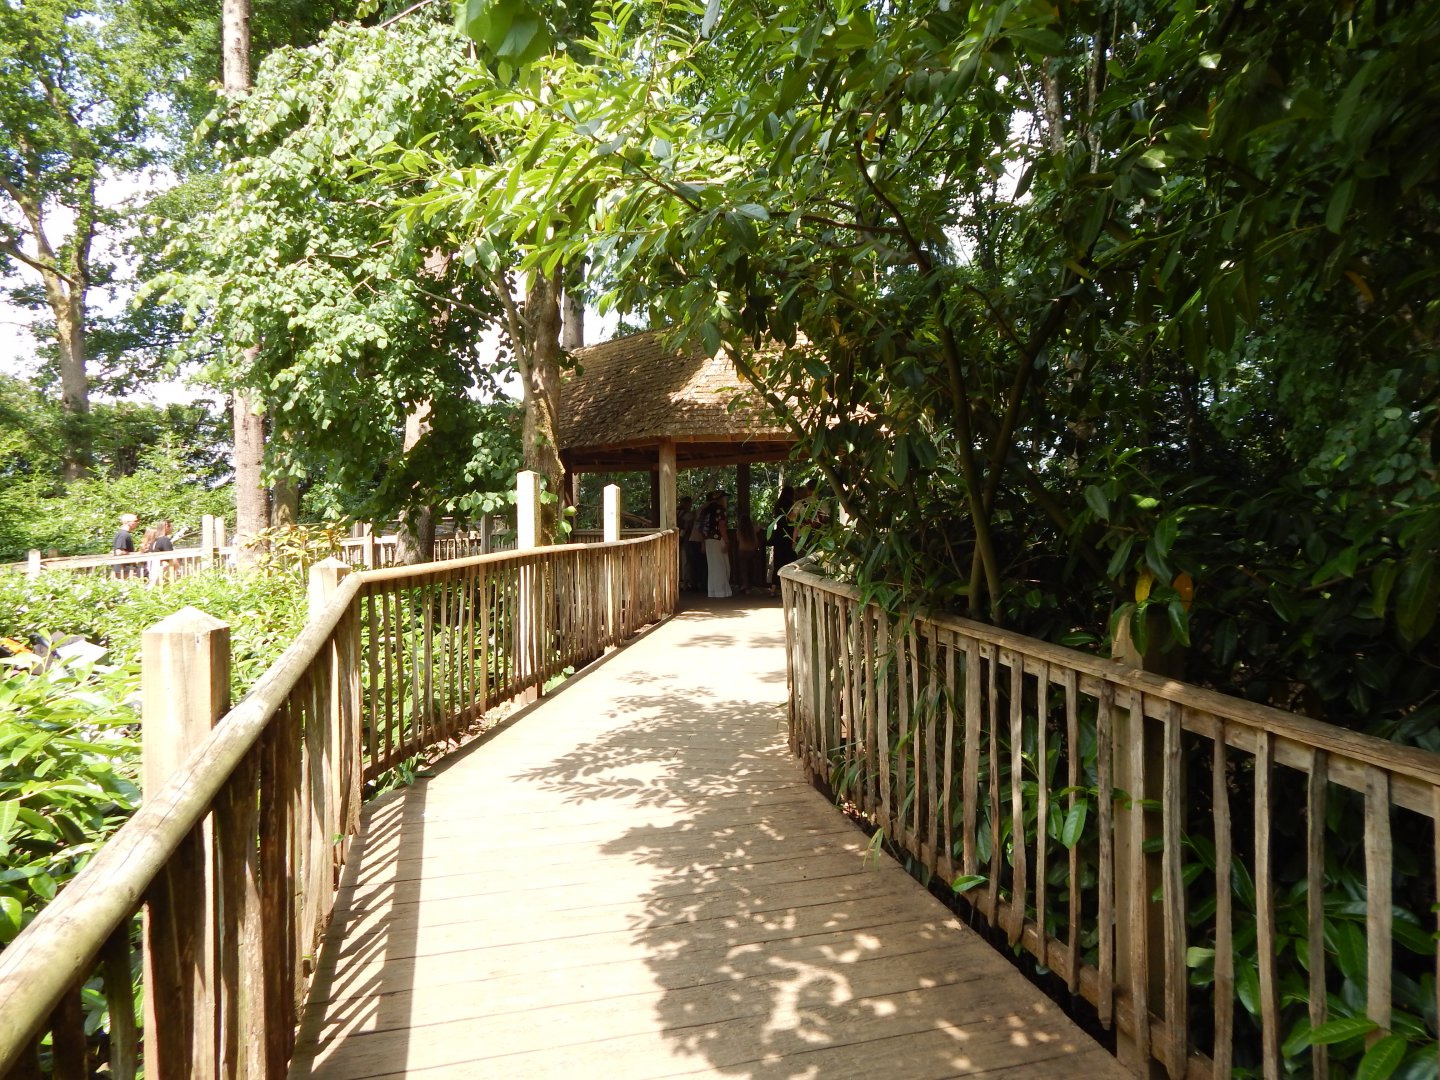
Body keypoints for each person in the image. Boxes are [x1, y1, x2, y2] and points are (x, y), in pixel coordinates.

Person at [700, 490, 731, 598]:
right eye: (725, 498)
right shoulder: (720, 510)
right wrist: (727, 541)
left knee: (713, 566)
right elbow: (722, 525)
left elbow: (702, 528)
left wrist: (703, 542)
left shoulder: (705, 511)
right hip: (718, 539)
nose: (726, 500)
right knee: (722, 565)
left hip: (708, 540)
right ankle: (721, 591)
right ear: (720, 499)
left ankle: (713, 591)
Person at [768, 485, 798, 594]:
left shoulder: (778, 505)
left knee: (778, 562)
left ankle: (773, 588)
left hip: (779, 535)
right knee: (790, 562)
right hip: (788, 536)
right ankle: (790, 590)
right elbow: (794, 523)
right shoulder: (792, 506)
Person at [676, 496, 701, 591]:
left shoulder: (675, 512)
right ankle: (685, 582)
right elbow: (687, 525)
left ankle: (682, 582)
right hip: (684, 538)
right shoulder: (686, 514)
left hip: (677, 538)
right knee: (685, 560)